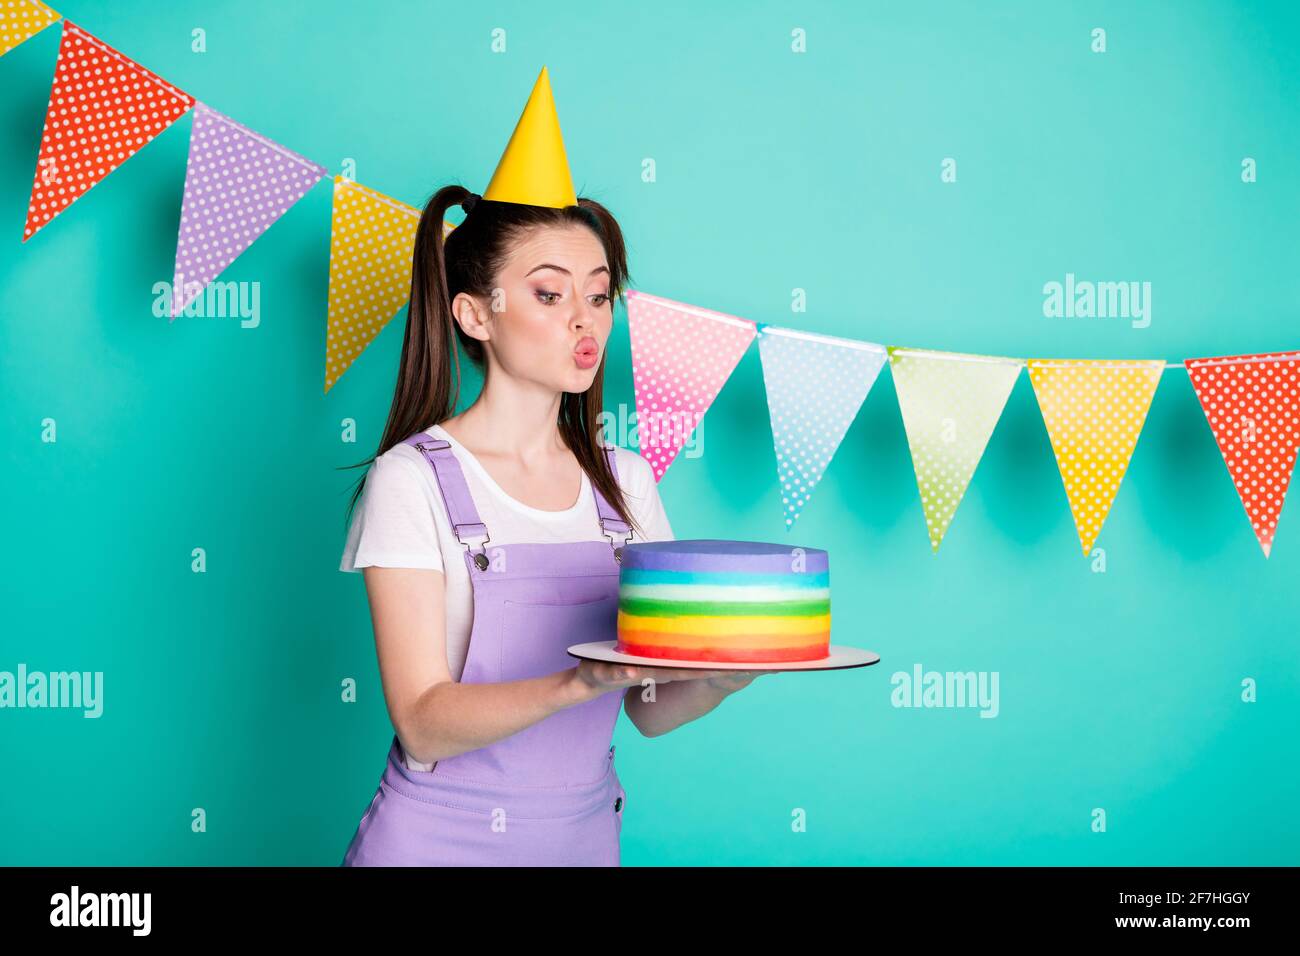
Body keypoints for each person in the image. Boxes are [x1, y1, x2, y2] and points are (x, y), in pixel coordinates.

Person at [337, 67, 762, 866]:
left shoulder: (626, 482)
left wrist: (724, 676)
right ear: (474, 314)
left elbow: (648, 709)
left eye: (599, 297)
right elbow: (423, 719)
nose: (583, 319)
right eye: (547, 293)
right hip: (433, 841)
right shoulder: (412, 481)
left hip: (580, 837)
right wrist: (578, 683)